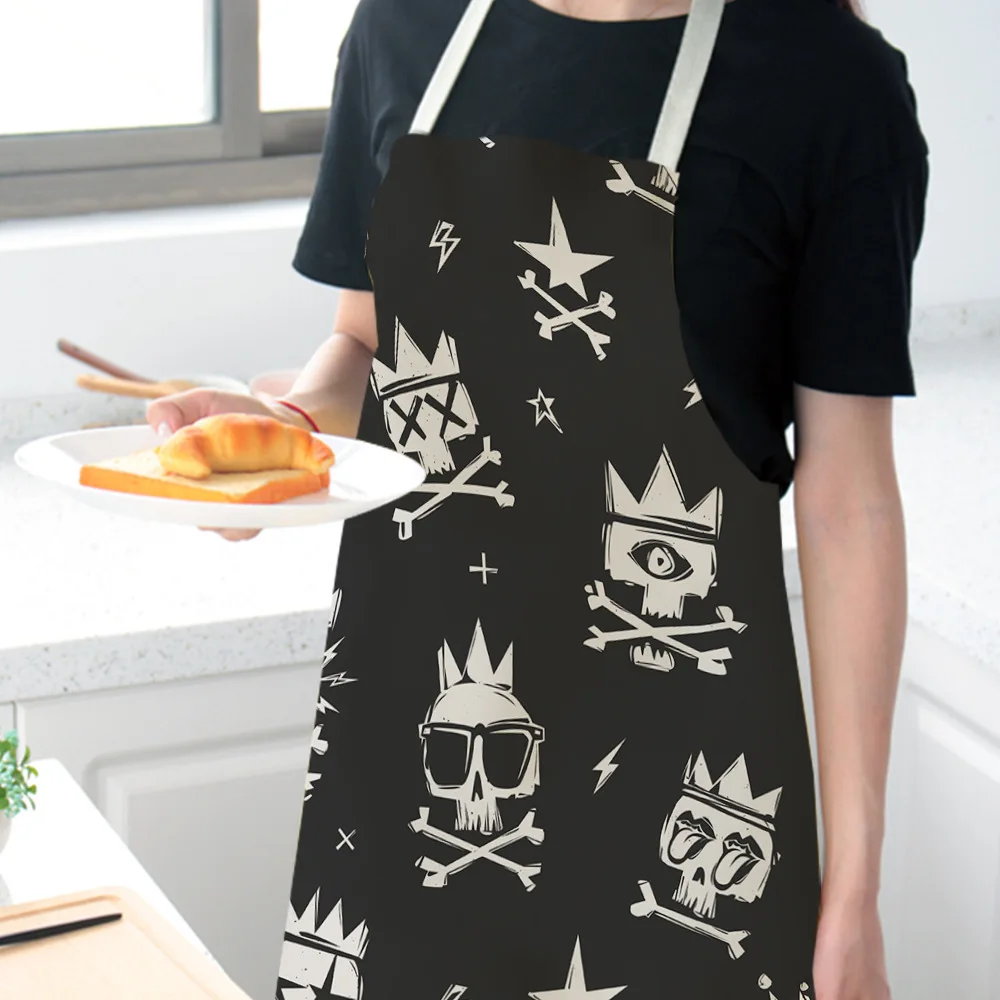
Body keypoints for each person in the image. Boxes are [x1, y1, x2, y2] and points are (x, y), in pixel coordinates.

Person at [149, 0, 928, 995]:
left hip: (685, 795)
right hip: (420, 753)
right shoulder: (403, 28)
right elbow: (369, 342)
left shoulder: (829, 80)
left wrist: (854, 890)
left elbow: (848, 503)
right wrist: (281, 433)